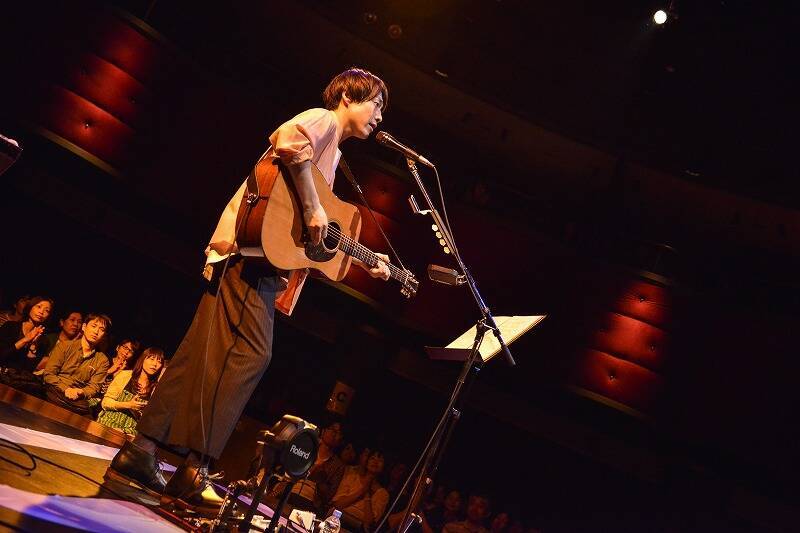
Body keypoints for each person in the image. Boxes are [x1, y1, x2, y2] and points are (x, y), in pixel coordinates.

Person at [105, 67, 392, 512]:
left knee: (200, 351)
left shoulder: (334, 153)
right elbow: (287, 139)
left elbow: (306, 235)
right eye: (376, 103)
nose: (379, 116)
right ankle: (193, 468)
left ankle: (140, 452)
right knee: (251, 355)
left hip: (250, 257)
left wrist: (365, 259)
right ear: (350, 97)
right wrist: (315, 209)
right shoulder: (323, 120)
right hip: (249, 255)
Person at [42, 313, 111, 415]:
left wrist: (80, 392)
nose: (96, 331)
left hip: (76, 400)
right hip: (54, 392)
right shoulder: (65, 346)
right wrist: (66, 389)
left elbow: (94, 387)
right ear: (84, 327)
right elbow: (49, 374)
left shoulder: (102, 360)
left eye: (101, 329)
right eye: (93, 326)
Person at [97, 347, 165, 435]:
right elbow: (105, 403)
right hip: (110, 422)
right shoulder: (125, 375)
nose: (155, 364)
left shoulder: (156, 389)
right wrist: (128, 405)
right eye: (152, 359)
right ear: (143, 359)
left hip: (131, 431)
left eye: (159, 362)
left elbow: (151, 421)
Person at [331, 449, 390, 531]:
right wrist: (361, 491)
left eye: (380, 460)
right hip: (337, 521)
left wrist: (367, 494)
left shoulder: (383, 494)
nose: (375, 462)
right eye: (372, 458)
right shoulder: (352, 477)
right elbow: (338, 504)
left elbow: (369, 522)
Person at [0, 296, 53, 372]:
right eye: (38, 307)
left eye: (47, 311)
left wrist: (33, 346)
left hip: (17, 380)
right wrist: (24, 340)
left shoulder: (44, 341)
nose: (41, 312)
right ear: (30, 307)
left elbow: (28, 370)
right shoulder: (10, 326)